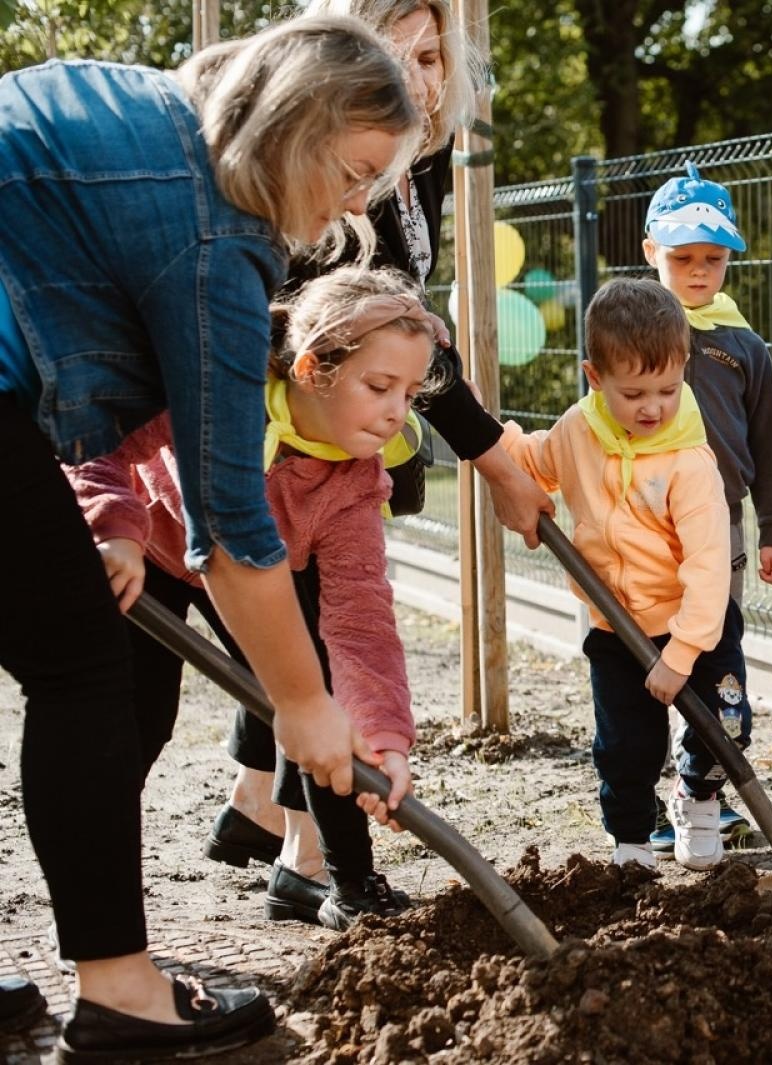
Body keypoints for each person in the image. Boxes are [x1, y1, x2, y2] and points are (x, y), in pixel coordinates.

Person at [0, 17, 417, 1060]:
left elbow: (113, 378)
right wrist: (304, 704)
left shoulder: (140, 109)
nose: (358, 203)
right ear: (300, 123)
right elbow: (233, 530)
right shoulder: (217, 236)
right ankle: (121, 996)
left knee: (71, 648)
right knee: (83, 670)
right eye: (357, 169)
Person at [205, 0, 557, 910]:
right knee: (308, 646)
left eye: (436, 54)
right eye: (399, 54)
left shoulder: (415, 165)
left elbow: (401, 334)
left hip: (351, 436)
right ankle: (320, 863)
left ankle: (261, 809)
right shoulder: (330, 173)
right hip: (289, 443)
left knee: (325, 624)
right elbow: (358, 329)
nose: (423, 77)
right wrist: (491, 458)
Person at [71, 266, 432, 931]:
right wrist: (113, 526)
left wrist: (383, 734)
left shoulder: (353, 480)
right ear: (310, 368)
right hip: (146, 549)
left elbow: (360, 621)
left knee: (319, 692)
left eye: (409, 393)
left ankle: (346, 880)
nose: (396, 412)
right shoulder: (218, 386)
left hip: (254, 566)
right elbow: (100, 439)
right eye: (380, 386)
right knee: (136, 720)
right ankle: (97, 907)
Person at [501, 278, 750, 872]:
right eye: (634, 392)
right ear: (595, 377)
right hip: (615, 627)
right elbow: (536, 460)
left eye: (668, 389)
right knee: (626, 746)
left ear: (684, 368)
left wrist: (682, 653)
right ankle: (633, 842)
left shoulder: (689, 460)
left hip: (694, 625)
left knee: (726, 728)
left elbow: (710, 566)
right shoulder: (578, 431)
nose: (653, 407)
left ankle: (697, 794)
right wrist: (491, 437)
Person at [636, 161, 772, 857]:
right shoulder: (632, 334)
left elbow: (768, 442)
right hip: (639, 534)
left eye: (713, 258)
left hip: (718, 534)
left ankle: (701, 789)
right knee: (640, 669)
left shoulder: (744, 347)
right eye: (682, 257)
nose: (699, 272)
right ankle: (640, 804)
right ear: (651, 254)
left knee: (717, 670)